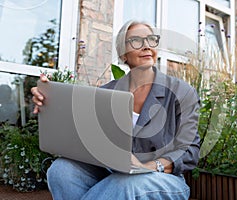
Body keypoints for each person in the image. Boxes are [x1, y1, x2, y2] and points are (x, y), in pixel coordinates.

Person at [31, 20, 200, 200]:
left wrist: (149, 167)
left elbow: (189, 150)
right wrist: (47, 102)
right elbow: (81, 138)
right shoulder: (105, 94)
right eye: (136, 41)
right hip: (111, 173)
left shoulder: (182, 92)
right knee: (60, 170)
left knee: (125, 183)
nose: (146, 46)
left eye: (151, 39)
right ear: (123, 54)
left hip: (163, 178)